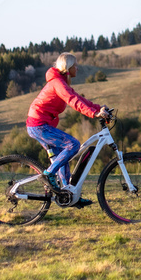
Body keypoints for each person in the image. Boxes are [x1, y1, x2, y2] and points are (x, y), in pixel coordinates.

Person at [26, 52, 108, 206]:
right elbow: (73, 101)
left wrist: (99, 108)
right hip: (39, 125)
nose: (77, 68)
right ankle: (48, 174)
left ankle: (68, 195)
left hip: (42, 125)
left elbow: (79, 98)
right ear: (68, 67)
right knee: (73, 145)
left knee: (63, 157)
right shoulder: (58, 83)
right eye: (75, 65)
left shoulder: (62, 82)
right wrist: (94, 113)